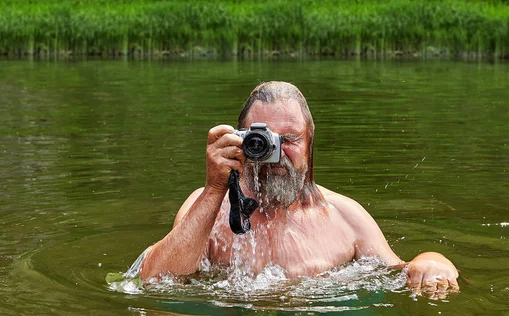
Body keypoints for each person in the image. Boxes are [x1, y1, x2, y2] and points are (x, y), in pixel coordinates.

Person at [136, 81, 459, 295]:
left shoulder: (344, 215)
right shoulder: (211, 207)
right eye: (260, 138)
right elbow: (155, 281)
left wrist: (433, 259)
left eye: (288, 139)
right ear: (239, 139)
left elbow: (398, 274)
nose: (275, 151)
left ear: (309, 143)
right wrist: (213, 188)